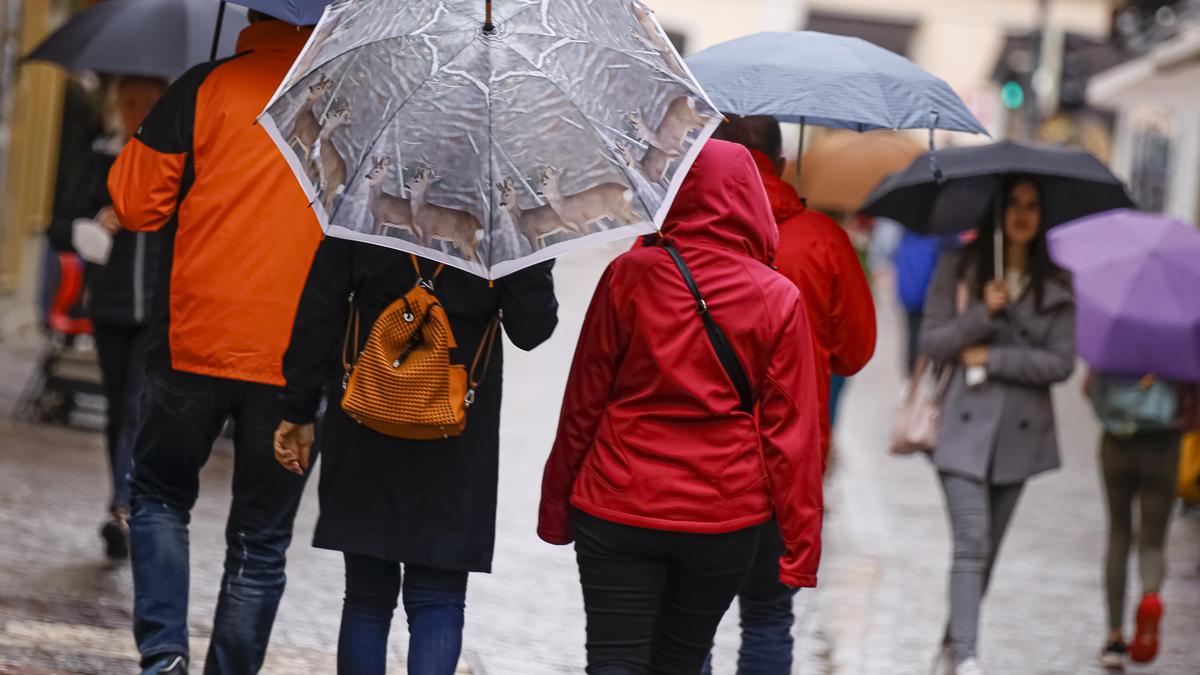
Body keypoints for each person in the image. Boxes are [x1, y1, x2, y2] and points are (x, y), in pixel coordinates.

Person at [538, 139, 824, 674]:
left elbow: (584, 400)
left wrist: (556, 507)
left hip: (617, 500)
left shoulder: (630, 274)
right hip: (722, 516)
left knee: (612, 660)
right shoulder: (779, 298)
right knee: (683, 660)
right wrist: (800, 546)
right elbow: (792, 435)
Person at [106, 11, 323, 675]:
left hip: (193, 340)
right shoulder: (343, 107)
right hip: (296, 357)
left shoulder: (203, 89)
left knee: (160, 496)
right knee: (260, 538)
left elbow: (135, 203)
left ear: (252, 13)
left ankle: (164, 652)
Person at [274, 242, 558, 675]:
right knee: (438, 595)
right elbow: (531, 328)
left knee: (367, 597)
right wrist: (533, 252)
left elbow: (321, 306)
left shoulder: (369, 200)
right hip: (456, 431)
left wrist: (299, 408)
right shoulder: (502, 228)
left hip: (365, 418)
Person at [703, 115, 876, 675]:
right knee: (770, 616)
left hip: (696, 455)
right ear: (779, 165)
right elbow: (855, 352)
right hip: (790, 462)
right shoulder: (825, 240)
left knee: (686, 621)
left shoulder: (673, 237)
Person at [920, 176, 1076, 675]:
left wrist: (995, 354)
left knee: (986, 553)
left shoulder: (1057, 284)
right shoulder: (960, 266)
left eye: (1032, 205)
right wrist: (981, 315)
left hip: (1021, 436)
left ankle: (951, 643)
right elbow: (934, 342)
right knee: (971, 540)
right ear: (997, 210)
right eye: (1013, 204)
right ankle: (967, 656)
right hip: (961, 428)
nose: (1022, 214)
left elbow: (1061, 363)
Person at [47, 75, 167, 560]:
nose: (138, 111)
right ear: (119, 104)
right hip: (111, 307)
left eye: (148, 103)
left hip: (158, 308)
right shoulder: (102, 159)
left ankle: (123, 506)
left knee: (136, 405)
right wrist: (96, 222)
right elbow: (58, 228)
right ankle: (121, 498)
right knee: (118, 409)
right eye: (130, 102)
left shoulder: (175, 162)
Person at [1086, 372, 1199, 669]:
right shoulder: (1182, 334)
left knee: (1119, 533)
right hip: (1164, 443)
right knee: (1153, 540)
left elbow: (1089, 387)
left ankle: (1114, 638)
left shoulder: (1115, 330)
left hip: (1117, 439)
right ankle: (1150, 595)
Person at [894, 229, 942, 375]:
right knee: (931, 334)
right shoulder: (934, 242)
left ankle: (911, 372)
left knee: (913, 335)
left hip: (909, 298)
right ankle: (932, 371)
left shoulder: (904, 241)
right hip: (928, 298)